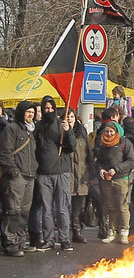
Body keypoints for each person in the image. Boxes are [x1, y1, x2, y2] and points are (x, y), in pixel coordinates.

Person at [33, 95, 75, 251]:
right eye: (46, 108)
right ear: (43, 110)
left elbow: (72, 147)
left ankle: (65, 239)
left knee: (63, 208)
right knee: (46, 209)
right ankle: (49, 239)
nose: (49, 110)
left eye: (51, 108)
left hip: (61, 172)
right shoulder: (38, 127)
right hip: (43, 173)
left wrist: (68, 131)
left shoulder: (61, 124)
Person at [0, 101, 37, 257]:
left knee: (24, 211)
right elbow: (5, 152)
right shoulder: (11, 129)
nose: (31, 115)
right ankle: (10, 243)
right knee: (12, 210)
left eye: (33, 112)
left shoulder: (30, 131)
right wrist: (13, 171)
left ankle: (21, 242)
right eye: (28, 112)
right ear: (21, 112)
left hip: (30, 176)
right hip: (16, 176)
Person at [95, 123, 134, 244]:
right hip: (107, 180)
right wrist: (101, 170)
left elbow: (130, 161)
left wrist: (116, 169)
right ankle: (112, 231)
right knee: (111, 207)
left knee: (122, 206)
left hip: (121, 178)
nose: (109, 134)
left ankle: (124, 232)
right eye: (107, 132)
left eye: (111, 132)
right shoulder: (103, 144)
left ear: (117, 132)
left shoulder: (124, 143)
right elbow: (99, 161)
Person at [66, 108, 93, 244]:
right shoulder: (62, 134)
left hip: (82, 174)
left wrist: (91, 173)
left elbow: (89, 154)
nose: (70, 118)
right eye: (67, 116)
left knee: (78, 207)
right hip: (68, 174)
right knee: (65, 206)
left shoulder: (82, 133)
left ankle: (77, 231)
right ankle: (65, 233)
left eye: (71, 116)